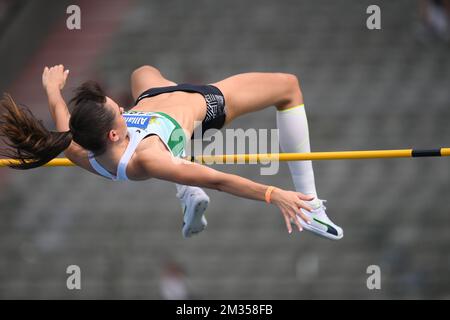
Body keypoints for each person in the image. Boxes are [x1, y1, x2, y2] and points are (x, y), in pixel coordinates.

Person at [0, 64, 343, 240]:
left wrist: (51, 89)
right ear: (116, 133)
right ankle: (311, 206)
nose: (121, 106)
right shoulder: (147, 156)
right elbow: (219, 181)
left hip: (154, 97)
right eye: (119, 109)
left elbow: (63, 124)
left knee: (141, 73)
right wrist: (274, 194)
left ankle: (185, 191)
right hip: (206, 104)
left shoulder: (81, 148)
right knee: (288, 87)